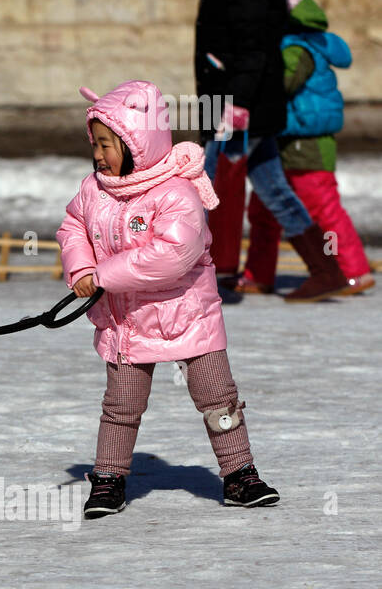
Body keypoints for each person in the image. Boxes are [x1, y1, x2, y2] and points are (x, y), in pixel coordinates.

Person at [56, 81, 278, 518]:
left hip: (188, 316)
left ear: (137, 143)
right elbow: (72, 228)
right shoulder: (94, 189)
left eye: (106, 144)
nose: (98, 154)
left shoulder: (176, 193)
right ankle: (108, 478)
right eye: (94, 144)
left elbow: (172, 255)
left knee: (218, 398)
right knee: (121, 406)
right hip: (128, 321)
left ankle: (239, 474)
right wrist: (80, 268)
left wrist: (103, 274)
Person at [194, 0, 348, 301]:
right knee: (272, 187)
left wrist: (236, 103)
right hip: (233, 98)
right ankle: (324, 269)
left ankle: (213, 276)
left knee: (209, 183)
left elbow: (254, 48)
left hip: (239, 102)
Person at [235, 0, 374, 295]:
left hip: (306, 143)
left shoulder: (296, 48)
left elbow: (279, 86)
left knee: (322, 209)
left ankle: (353, 270)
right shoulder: (285, 44)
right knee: (264, 209)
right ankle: (259, 274)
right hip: (280, 140)